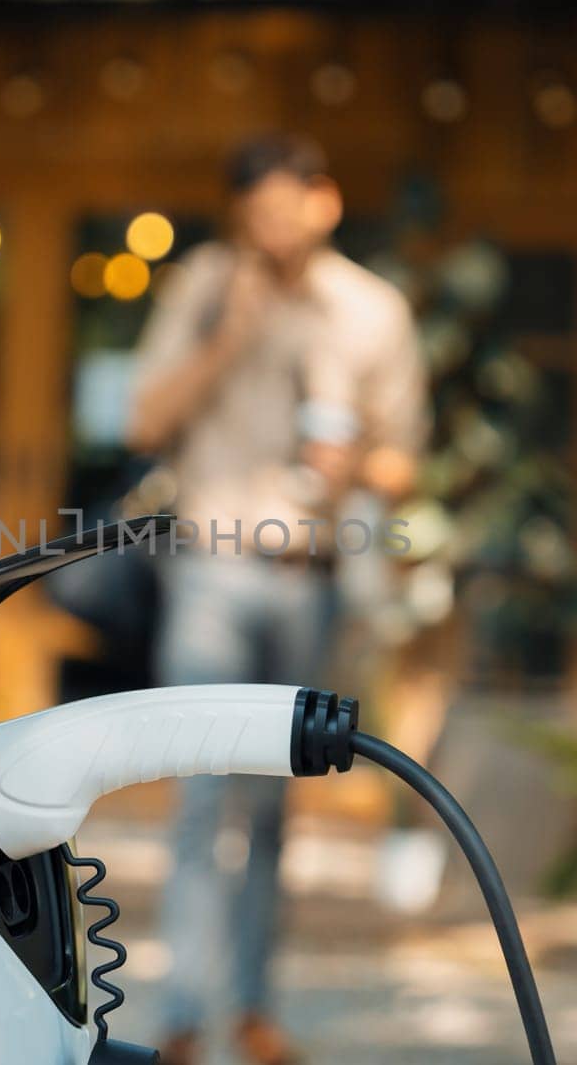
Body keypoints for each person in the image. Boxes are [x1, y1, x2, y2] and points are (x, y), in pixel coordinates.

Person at [126, 134, 429, 1065]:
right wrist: (228, 338)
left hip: (310, 579)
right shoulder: (207, 283)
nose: (268, 229)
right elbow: (142, 420)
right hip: (209, 570)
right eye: (252, 213)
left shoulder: (371, 311)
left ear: (324, 203)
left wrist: (357, 469)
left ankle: (252, 1011)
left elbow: (404, 463)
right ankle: (181, 1016)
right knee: (198, 799)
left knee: (270, 810)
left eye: (283, 209)